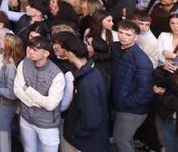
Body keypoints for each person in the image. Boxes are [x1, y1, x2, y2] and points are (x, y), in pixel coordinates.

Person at [13, 36, 64, 152]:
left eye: (35, 50)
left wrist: (28, 90)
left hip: (47, 125)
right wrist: (34, 103)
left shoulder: (57, 74)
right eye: (30, 48)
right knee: (29, 149)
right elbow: (17, 89)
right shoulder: (24, 63)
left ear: (46, 53)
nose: (30, 51)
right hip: (26, 118)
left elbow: (50, 104)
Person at [111, 19, 155, 152]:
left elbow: (145, 91)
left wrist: (125, 102)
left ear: (136, 37)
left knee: (121, 140)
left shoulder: (142, 61)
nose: (123, 36)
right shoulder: (115, 47)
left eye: (128, 34)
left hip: (132, 109)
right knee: (124, 139)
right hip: (119, 103)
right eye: (121, 32)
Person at [60, 36, 109, 152]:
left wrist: (75, 133)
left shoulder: (87, 83)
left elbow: (91, 119)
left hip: (83, 143)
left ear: (70, 53)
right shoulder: (93, 71)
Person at [0, 34, 23, 152]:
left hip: (4, 106)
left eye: (3, 39)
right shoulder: (1, 56)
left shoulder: (9, 66)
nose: (0, 40)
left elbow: (11, 93)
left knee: (2, 137)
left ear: (8, 44)